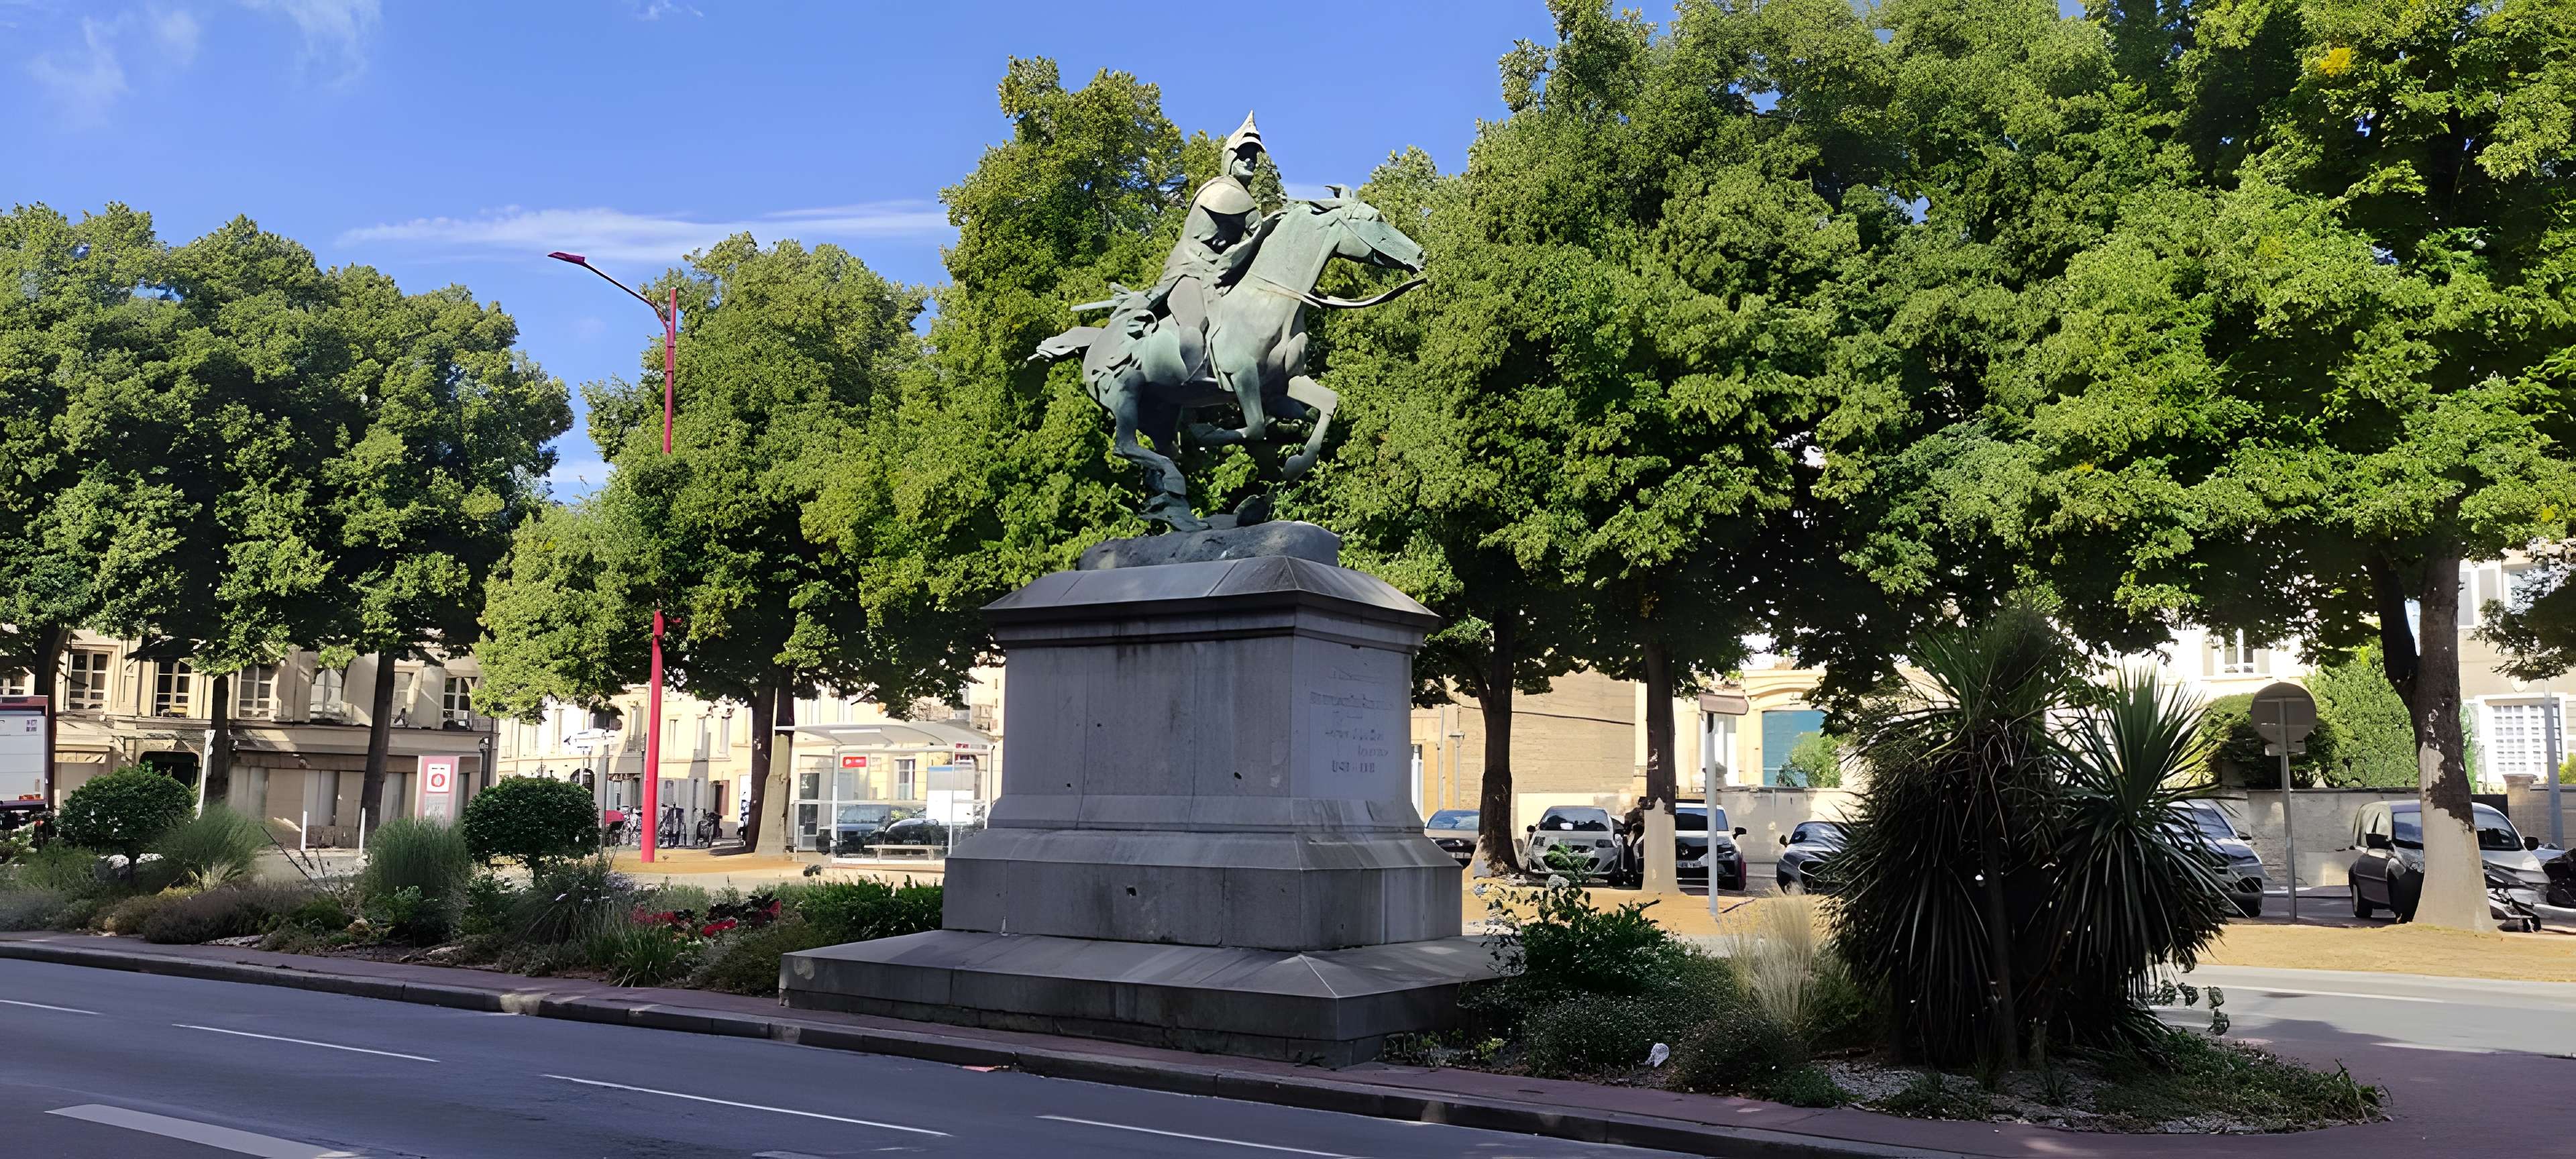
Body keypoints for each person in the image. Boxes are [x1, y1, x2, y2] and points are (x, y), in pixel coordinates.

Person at [1144, 112, 1280, 348]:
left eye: (1253, 158)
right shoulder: (1226, 193)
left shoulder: (1240, 195)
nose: (1250, 161)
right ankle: (1192, 378)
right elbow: (1265, 237)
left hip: (1216, 275)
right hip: (1190, 272)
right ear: (1229, 158)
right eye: (1243, 156)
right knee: (1196, 322)